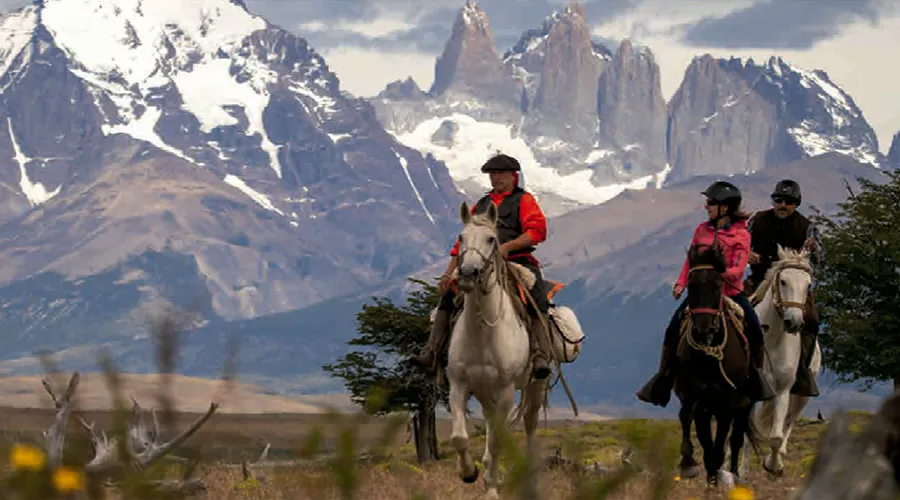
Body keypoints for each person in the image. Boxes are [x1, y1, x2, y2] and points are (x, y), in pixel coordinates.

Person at [411, 153, 553, 380]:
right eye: (492, 174)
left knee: (536, 296)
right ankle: (432, 351)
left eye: (500, 174)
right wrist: (448, 274)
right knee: (449, 295)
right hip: (480, 262)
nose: (495, 179)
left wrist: (508, 247)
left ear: (513, 176)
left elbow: (537, 232)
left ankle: (539, 354)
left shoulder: (524, 201)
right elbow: (463, 244)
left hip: (517, 260)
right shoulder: (482, 205)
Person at [636, 180, 776, 407]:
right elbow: (689, 261)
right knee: (672, 329)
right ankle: (662, 378)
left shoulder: (741, 235)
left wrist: (714, 276)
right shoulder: (701, 230)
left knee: (754, 328)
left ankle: (756, 378)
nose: (706, 206)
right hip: (701, 294)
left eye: (711, 202)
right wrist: (681, 284)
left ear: (726, 207)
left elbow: (738, 269)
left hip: (730, 293)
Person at [744, 179, 824, 397]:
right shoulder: (756, 220)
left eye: (788, 201)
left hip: (794, 289)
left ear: (796, 204)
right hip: (757, 281)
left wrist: (814, 249)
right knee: (730, 311)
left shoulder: (807, 227)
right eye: (779, 200)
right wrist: (745, 254)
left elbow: (821, 257)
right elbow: (737, 244)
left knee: (813, 321)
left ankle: (802, 372)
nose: (782, 204)